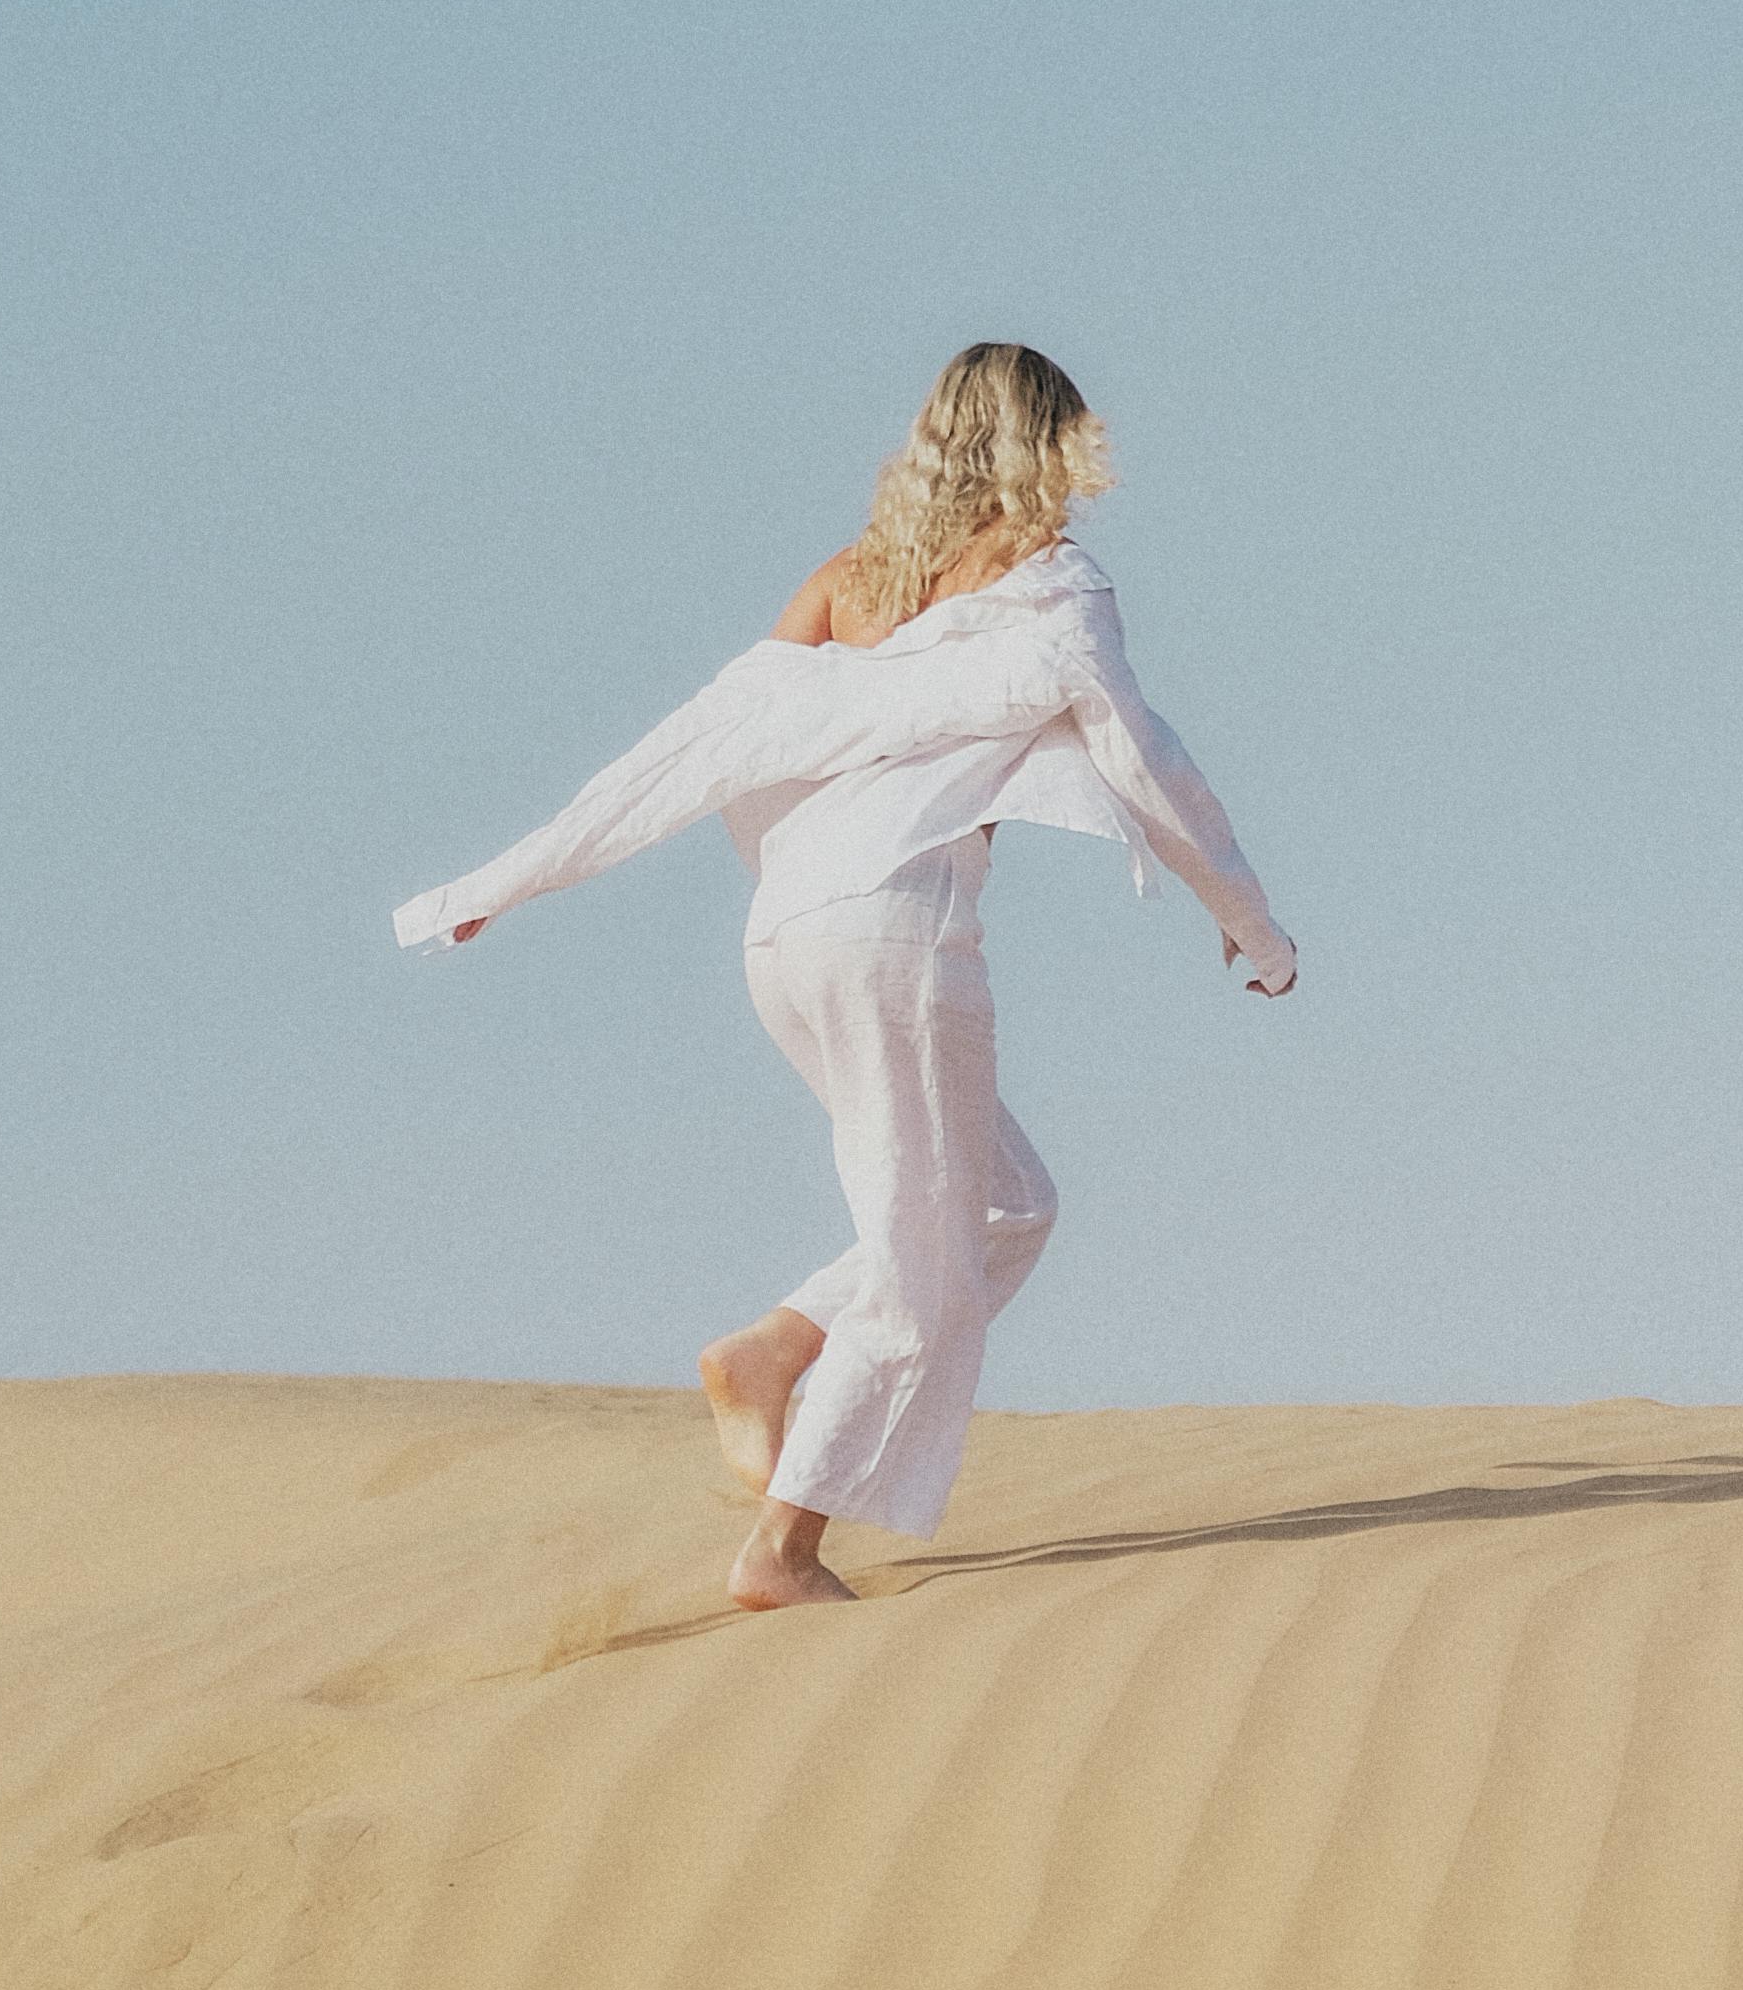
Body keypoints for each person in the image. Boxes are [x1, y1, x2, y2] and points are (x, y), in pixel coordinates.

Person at [396, 342, 1293, 1609]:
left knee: (1004, 1206)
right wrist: (1251, 925)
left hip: (785, 945)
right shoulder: (1055, 591)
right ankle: (784, 1547)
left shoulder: (845, 584)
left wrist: (516, 873)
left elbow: (694, 748)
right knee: (927, 1274)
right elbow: (1146, 760)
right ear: (1055, 447)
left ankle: (772, 1351)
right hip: (897, 937)